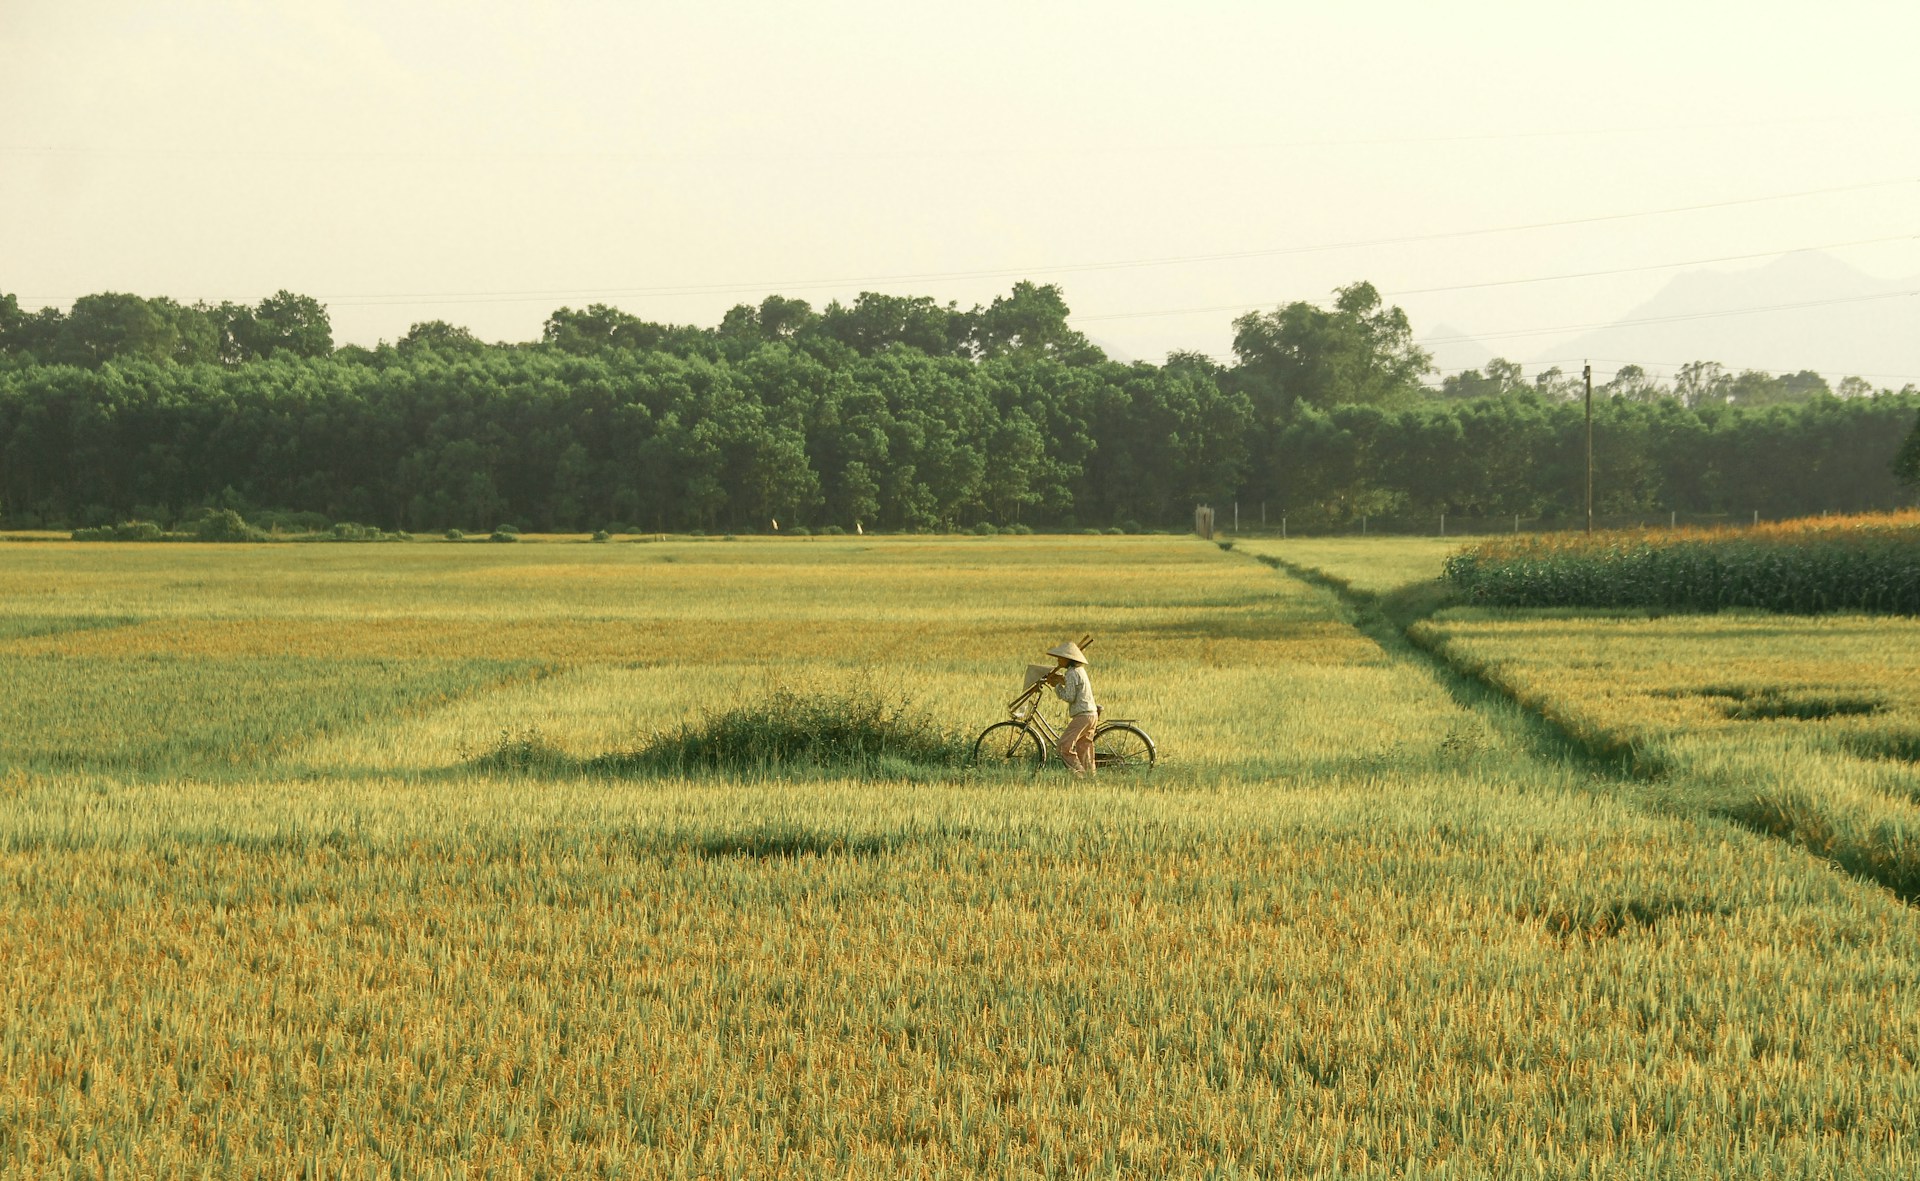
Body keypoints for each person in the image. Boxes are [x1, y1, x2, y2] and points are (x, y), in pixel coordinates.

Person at [1044, 641, 1098, 773]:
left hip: (1083, 715)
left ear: (1068, 659)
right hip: (1091, 714)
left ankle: (1079, 774)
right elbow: (1073, 686)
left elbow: (1069, 696)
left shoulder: (1071, 673)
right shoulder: (1079, 670)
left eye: (1060, 658)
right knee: (1084, 748)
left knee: (1064, 746)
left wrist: (1057, 686)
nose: (1058, 660)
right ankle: (1090, 777)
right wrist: (1061, 680)